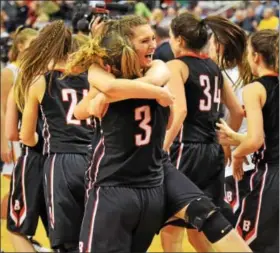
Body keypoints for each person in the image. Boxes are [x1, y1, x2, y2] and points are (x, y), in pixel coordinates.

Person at [70, 15, 252, 253]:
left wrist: (108, 94)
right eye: (145, 40)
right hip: (132, 176)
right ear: (124, 44)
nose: (154, 44)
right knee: (194, 220)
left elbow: (128, 89)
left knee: (199, 219)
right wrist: (151, 93)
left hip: (144, 173)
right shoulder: (109, 75)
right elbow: (81, 110)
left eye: (154, 38)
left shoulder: (157, 68)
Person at [161, 12, 245, 252]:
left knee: (171, 228)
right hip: (213, 151)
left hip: (186, 149)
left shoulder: (176, 65)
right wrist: (226, 142)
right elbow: (237, 111)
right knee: (201, 231)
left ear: (178, 40)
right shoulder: (214, 68)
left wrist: (163, 147)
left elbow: (181, 111)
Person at [16, 20, 93, 252]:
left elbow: (25, 136)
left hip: (61, 161)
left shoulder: (40, 81)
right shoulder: (94, 78)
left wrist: (40, 141)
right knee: (92, 235)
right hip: (96, 159)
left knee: (65, 241)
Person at [217, 29, 279, 253]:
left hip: (271, 175)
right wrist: (236, 138)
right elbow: (270, 138)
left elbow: (255, 140)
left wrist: (237, 155)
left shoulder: (255, 88)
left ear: (256, 56)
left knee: (247, 243)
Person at [206, 16, 255, 223]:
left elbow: (235, 114)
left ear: (218, 45)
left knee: (233, 228)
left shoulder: (221, 76)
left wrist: (226, 146)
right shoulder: (250, 74)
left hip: (237, 158)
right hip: (254, 156)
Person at [5, 84, 48, 252]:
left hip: (34, 159)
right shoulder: (70, 78)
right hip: (66, 161)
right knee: (65, 236)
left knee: (16, 229)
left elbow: (12, 134)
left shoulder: (23, 83)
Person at [1, 26, 37, 174]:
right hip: (14, 134)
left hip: (30, 133)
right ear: (20, 46)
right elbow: (2, 110)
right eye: (32, 44)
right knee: (13, 181)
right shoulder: (9, 72)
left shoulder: (35, 70)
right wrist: (4, 143)